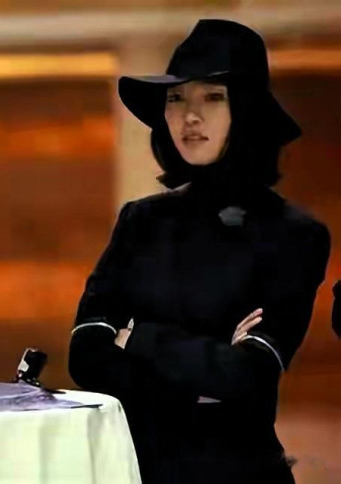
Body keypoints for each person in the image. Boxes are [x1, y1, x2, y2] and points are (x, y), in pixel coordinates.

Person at [69, 20, 330, 484]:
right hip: (133, 470)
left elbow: (248, 375)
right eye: (176, 98)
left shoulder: (295, 234)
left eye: (212, 97)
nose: (190, 116)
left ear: (245, 110)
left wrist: (139, 338)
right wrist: (208, 368)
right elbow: (86, 354)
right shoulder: (140, 220)